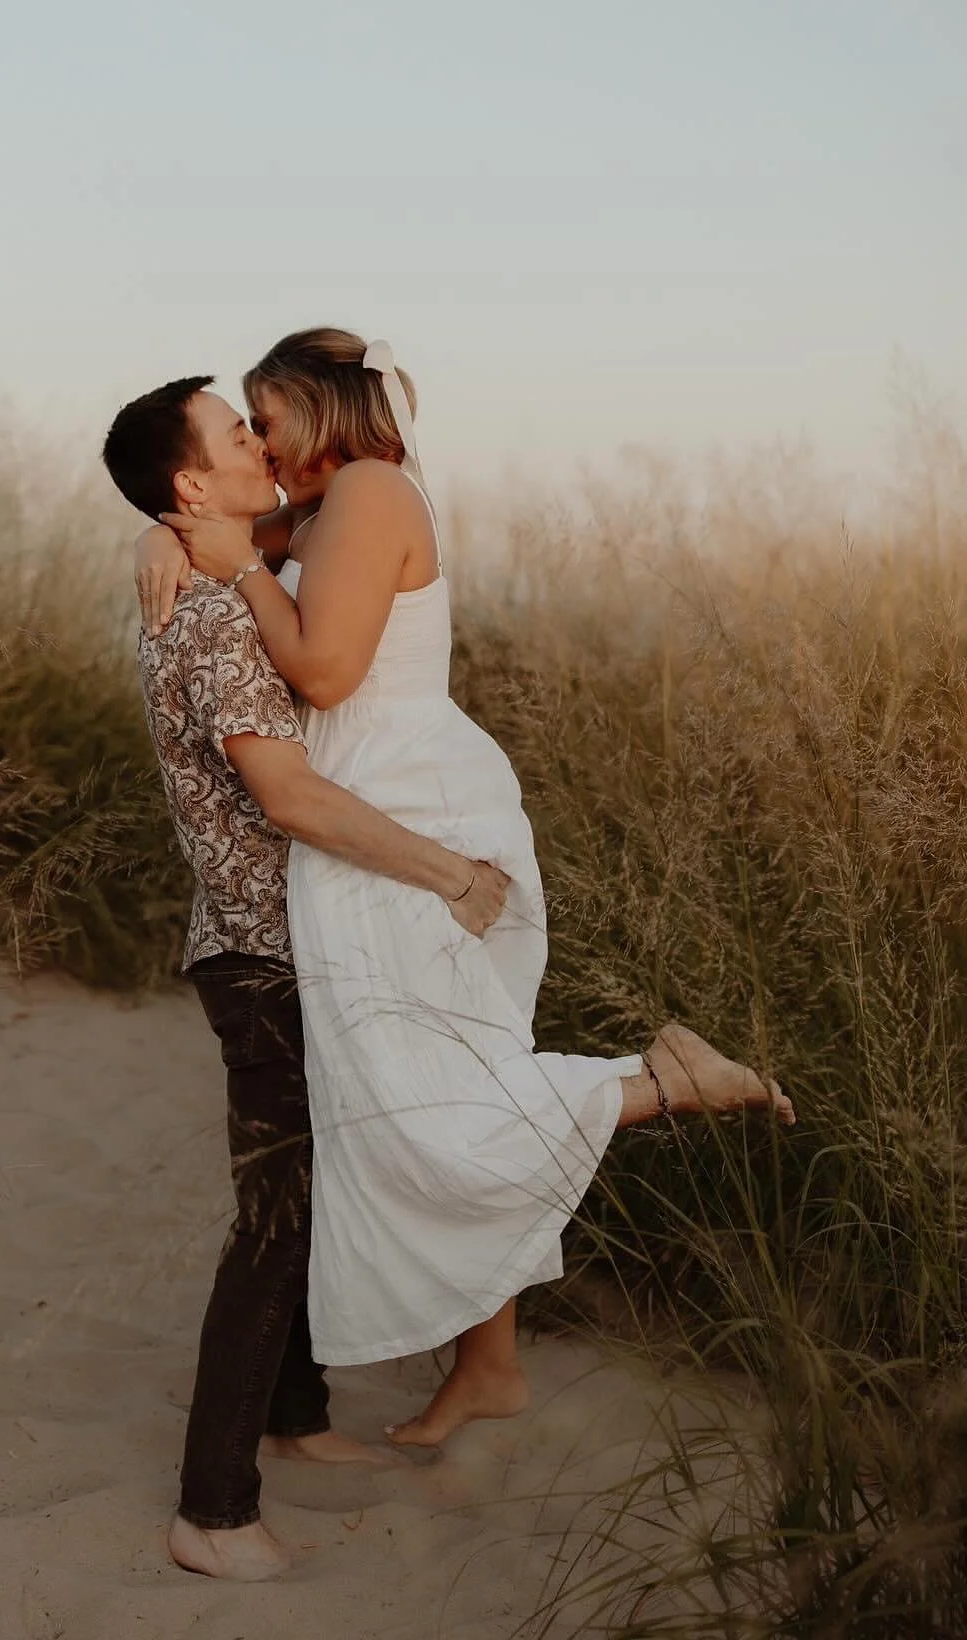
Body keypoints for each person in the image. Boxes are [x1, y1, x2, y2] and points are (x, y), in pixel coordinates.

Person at [135, 329, 795, 1450]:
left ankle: (666, 1084)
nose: (264, 442)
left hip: (408, 810)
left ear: (319, 406)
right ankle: (489, 1363)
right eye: (244, 425)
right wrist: (164, 540)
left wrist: (237, 564)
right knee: (438, 1071)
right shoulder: (330, 505)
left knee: (422, 1092)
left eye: (269, 416)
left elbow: (329, 671)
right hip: (373, 805)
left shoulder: (374, 493)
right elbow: (227, 534)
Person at [100, 375, 511, 1580]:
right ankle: (212, 1514)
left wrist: (166, 538)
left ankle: (296, 1416)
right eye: (236, 435)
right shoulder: (221, 619)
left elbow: (286, 552)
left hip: (272, 942)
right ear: (191, 483)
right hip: (260, 954)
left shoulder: (215, 572)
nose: (256, 444)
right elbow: (286, 794)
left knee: (307, 1195)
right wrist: (445, 871)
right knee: (275, 1221)